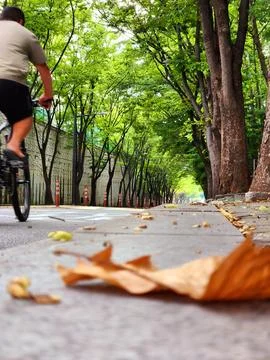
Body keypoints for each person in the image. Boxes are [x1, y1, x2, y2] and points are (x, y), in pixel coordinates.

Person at [0, 6, 53, 165]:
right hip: (9, 82)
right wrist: (48, 95)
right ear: (20, 21)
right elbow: (43, 68)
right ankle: (13, 145)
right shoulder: (26, 34)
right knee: (24, 118)